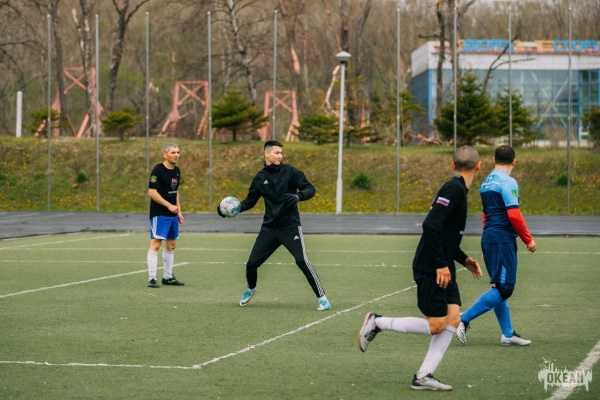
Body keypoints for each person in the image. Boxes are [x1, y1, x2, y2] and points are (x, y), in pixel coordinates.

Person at [358, 145, 483, 392]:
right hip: (431, 267)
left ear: (453, 165)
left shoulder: (458, 189)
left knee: (453, 320)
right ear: (479, 166)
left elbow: (444, 235)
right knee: (436, 325)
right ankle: (377, 322)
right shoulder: (454, 189)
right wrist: (440, 264)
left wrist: (463, 259)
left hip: (444, 266)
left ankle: (424, 376)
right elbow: (431, 225)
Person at [217, 140, 330, 311]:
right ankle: (251, 290)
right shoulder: (260, 177)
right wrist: (228, 210)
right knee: (251, 264)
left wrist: (298, 196)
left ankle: (323, 299)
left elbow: (310, 189)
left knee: (302, 261)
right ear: (266, 154)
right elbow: (250, 202)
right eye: (277, 153)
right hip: (269, 229)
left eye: (281, 153)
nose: (280, 156)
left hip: (290, 226)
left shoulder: (291, 172)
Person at [456, 145, 536, 346]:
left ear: (493, 160)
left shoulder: (486, 182)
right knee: (505, 289)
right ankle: (463, 319)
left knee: (498, 287)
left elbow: (486, 214)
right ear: (514, 162)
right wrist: (528, 239)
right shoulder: (508, 182)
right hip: (501, 240)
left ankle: (507, 334)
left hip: (490, 238)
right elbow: (514, 214)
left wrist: (488, 244)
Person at [146, 143, 185, 288]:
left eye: (178, 152)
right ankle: (152, 278)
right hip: (160, 213)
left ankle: (167, 277)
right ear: (165, 155)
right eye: (173, 152)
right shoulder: (158, 170)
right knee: (156, 244)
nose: (176, 155)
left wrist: (179, 210)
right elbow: (152, 192)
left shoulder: (177, 171)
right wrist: (168, 205)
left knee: (171, 245)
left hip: (172, 214)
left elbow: (175, 192)